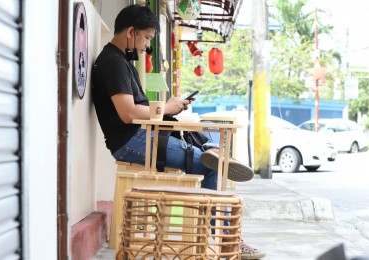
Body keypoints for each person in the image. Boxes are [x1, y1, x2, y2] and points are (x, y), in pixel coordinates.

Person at [92, 4, 265, 259]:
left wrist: (169, 107)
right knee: (211, 166)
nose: (147, 46)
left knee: (209, 152)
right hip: (132, 141)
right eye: (147, 38)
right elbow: (128, 113)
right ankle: (229, 240)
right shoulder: (113, 63)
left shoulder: (120, 61)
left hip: (143, 137)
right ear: (131, 32)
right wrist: (165, 107)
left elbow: (138, 109)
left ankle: (212, 157)